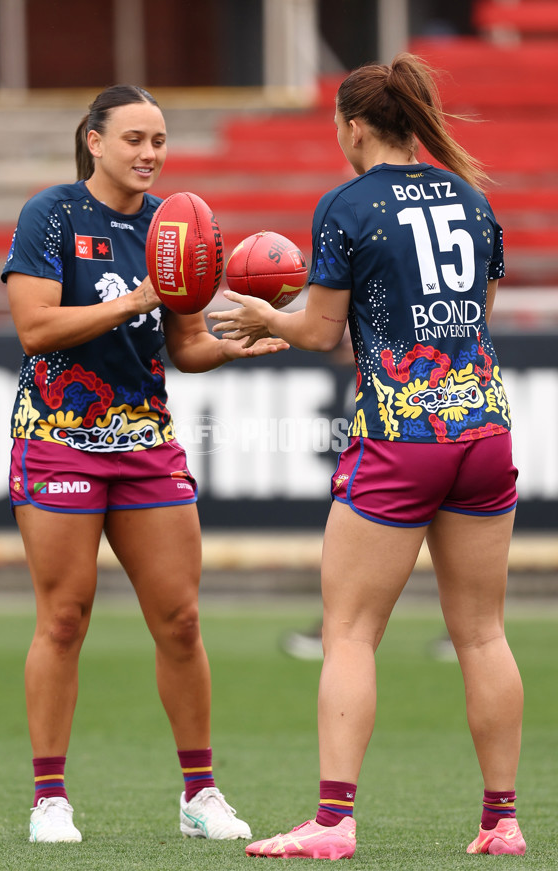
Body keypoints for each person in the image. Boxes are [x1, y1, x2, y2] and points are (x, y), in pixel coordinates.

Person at [210, 53, 525, 859]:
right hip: (483, 428)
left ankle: (333, 821)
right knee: (484, 633)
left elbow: (318, 333)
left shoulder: (348, 204)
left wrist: (261, 316)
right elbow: (474, 317)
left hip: (401, 437)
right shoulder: (471, 198)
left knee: (349, 631)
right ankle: (502, 821)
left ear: (353, 126)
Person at [1, 84, 288, 845]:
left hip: (145, 442)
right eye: (133, 138)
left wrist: (231, 347)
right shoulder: (51, 214)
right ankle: (49, 799)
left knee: (183, 620)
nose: (149, 154)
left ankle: (200, 793)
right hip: (59, 436)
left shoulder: (175, 224)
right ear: (93, 141)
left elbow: (184, 345)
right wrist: (132, 301)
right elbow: (34, 328)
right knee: (64, 619)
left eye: (158, 141)